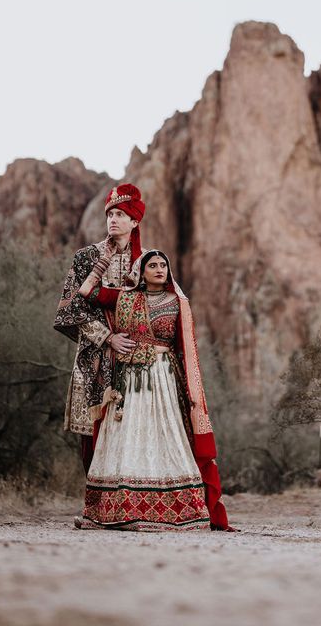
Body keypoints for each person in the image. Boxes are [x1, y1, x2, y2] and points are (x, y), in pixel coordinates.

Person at [80, 248, 231, 530]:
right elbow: (87, 290)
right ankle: (118, 510)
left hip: (163, 378)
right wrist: (105, 259)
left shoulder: (178, 302)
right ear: (142, 272)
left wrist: (192, 392)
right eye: (153, 265)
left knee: (163, 436)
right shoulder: (125, 297)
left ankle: (170, 510)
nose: (160, 269)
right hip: (128, 380)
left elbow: (185, 349)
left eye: (164, 265)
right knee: (128, 436)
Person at [54, 183, 146, 474]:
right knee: (91, 433)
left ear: (134, 221)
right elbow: (70, 307)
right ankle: (95, 504)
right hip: (94, 355)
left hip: (135, 355)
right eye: (110, 214)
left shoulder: (147, 262)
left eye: (120, 214)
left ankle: (125, 503)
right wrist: (107, 338)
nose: (113, 220)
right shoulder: (86, 257)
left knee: (133, 430)